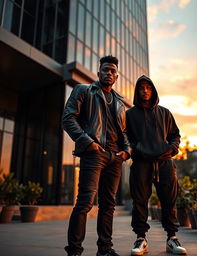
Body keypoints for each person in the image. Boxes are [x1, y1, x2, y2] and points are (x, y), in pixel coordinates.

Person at [62, 55, 131, 256]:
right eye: (105, 69)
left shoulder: (119, 102)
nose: (109, 73)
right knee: (85, 202)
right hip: (94, 154)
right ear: (99, 71)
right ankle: (74, 251)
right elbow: (68, 119)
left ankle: (105, 249)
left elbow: (124, 131)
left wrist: (127, 151)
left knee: (109, 205)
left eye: (112, 71)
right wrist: (88, 142)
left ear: (117, 76)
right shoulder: (84, 90)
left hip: (115, 157)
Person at [126, 75, 187, 255]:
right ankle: (141, 239)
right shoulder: (130, 115)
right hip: (141, 163)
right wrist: (136, 149)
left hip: (165, 163)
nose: (145, 91)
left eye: (148, 88)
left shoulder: (165, 113)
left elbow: (175, 135)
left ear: (153, 90)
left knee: (169, 200)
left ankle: (172, 238)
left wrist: (172, 149)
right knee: (140, 202)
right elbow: (126, 138)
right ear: (137, 91)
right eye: (141, 88)